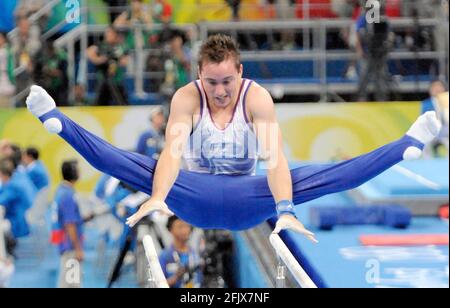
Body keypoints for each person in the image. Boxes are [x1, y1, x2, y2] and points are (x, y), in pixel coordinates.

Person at [25, 34, 442, 242]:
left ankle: (402, 147)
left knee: (315, 176)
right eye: (211, 82)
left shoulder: (255, 98)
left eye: (227, 81)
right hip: (193, 197)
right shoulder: (187, 97)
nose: (220, 90)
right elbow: (172, 153)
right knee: (141, 167)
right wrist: (157, 195)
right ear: (199, 75)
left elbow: (274, 159)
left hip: (250, 200)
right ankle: (57, 120)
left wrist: (284, 208)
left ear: (240, 73)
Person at [51, 160, 84, 288]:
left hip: (64, 243)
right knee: (72, 284)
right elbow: (69, 224)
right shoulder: (68, 195)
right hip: (69, 245)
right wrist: (78, 249)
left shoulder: (61, 190)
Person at [159, 215, 203, 288]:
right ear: (170, 229)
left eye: (187, 226)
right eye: (180, 226)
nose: (185, 230)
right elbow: (159, 285)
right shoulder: (165, 256)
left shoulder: (195, 255)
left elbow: (200, 280)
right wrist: (175, 277)